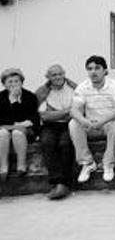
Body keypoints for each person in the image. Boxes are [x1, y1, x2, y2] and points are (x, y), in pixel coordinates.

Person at [69, 56, 115, 183]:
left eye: (97, 68)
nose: (93, 72)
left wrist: (103, 121)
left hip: (108, 124)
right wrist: (84, 121)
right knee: (73, 123)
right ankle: (87, 163)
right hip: (90, 125)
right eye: (89, 69)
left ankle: (108, 163)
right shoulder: (83, 87)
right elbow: (74, 110)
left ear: (105, 70)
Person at [36, 65, 76, 200]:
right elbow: (44, 116)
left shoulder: (73, 88)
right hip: (50, 125)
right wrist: (65, 112)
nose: (58, 77)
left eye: (60, 74)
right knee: (47, 142)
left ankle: (64, 184)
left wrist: (55, 113)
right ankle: (56, 183)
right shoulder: (42, 92)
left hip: (69, 124)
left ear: (64, 74)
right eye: (54, 75)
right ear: (48, 77)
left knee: (65, 144)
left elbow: (76, 112)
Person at [0, 68, 40, 184]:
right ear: (4, 84)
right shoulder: (1, 97)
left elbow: (33, 118)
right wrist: (12, 101)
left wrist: (14, 123)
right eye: (10, 82)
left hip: (26, 131)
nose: (14, 84)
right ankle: (3, 166)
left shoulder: (30, 96)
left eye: (16, 81)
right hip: (5, 130)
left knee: (17, 133)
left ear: (21, 82)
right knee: (2, 133)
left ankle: (21, 166)